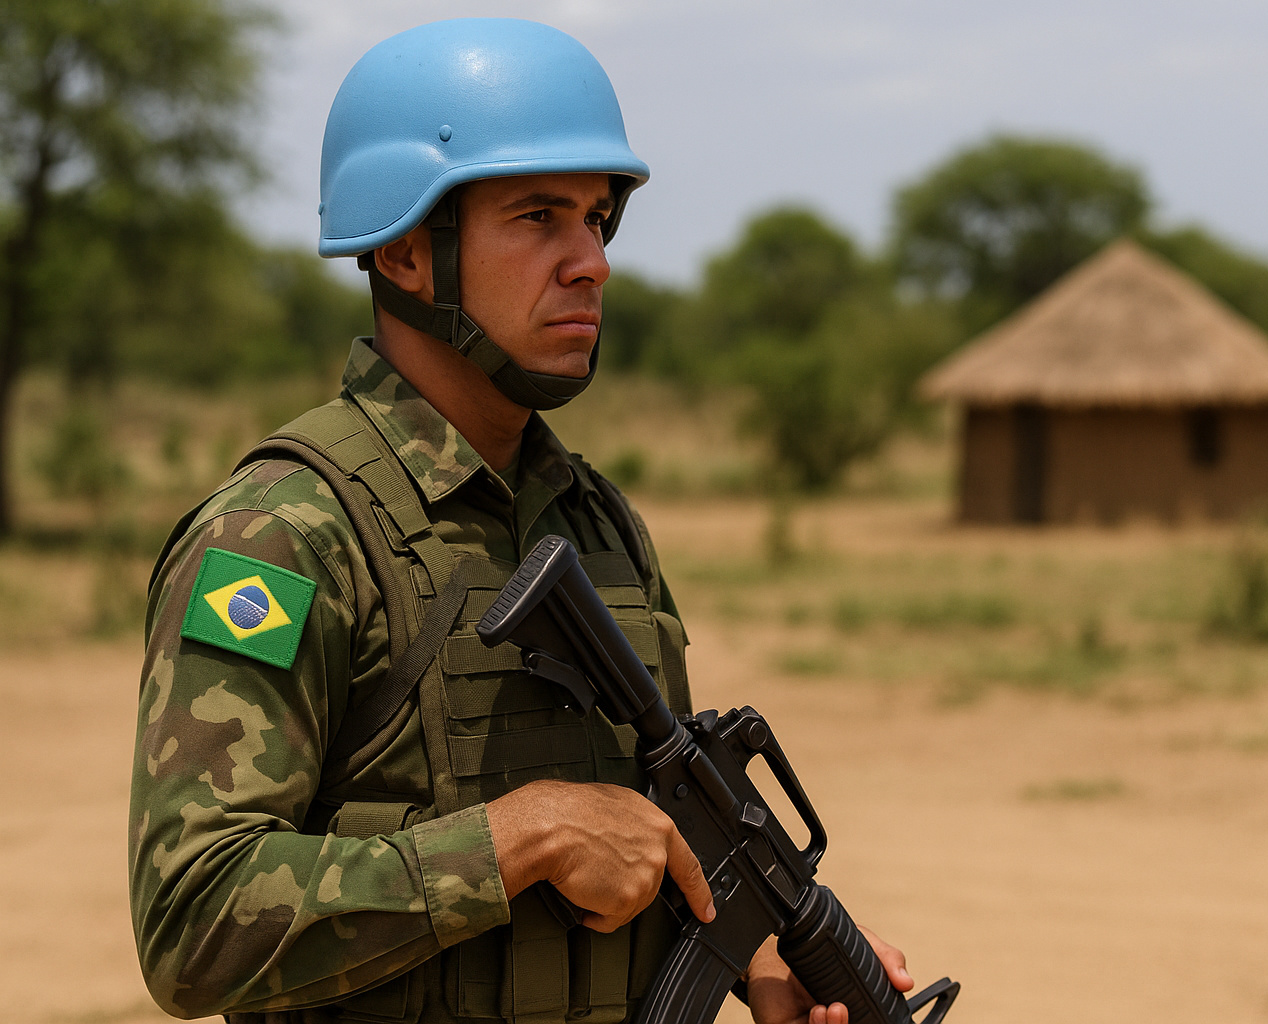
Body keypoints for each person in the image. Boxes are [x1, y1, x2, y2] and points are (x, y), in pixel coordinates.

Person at [129, 18, 909, 1024]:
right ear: (407, 250)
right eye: (538, 216)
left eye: (597, 218)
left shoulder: (598, 524)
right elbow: (194, 923)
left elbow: (626, 863)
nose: (591, 262)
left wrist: (750, 963)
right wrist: (520, 837)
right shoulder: (287, 533)